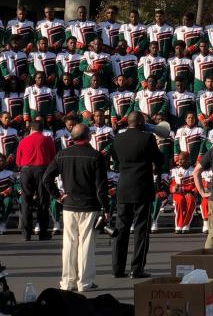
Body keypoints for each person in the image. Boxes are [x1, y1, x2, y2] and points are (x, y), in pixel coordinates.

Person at [43, 123, 108, 293]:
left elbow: (46, 178)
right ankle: (84, 282)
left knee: (69, 244)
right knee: (86, 244)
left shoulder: (62, 154)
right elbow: (101, 187)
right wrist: (106, 208)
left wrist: (58, 196)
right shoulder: (96, 156)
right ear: (89, 137)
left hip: (69, 205)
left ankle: (67, 281)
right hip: (89, 204)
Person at [111, 111, 164, 278]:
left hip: (124, 187)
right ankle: (137, 268)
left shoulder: (118, 138)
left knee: (121, 229)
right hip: (142, 188)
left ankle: (118, 268)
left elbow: (115, 158)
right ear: (141, 123)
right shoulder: (147, 138)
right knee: (141, 230)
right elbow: (160, 159)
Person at [15, 117, 56, 241]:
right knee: (43, 201)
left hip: (26, 171)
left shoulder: (23, 141)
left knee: (26, 201)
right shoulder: (48, 140)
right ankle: (42, 232)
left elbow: (18, 161)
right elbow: (53, 157)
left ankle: (26, 233)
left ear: (31, 128)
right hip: (42, 170)